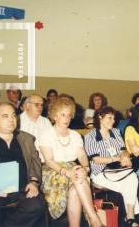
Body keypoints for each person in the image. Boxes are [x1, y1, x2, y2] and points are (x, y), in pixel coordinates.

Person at [39, 97, 103, 227]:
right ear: (54, 116)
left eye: (69, 115)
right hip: (53, 171)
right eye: (63, 115)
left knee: (76, 186)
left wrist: (85, 168)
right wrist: (67, 172)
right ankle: (94, 219)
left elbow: (82, 154)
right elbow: (49, 161)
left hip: (73, 170)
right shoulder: (46, 134)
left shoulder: (74, 135)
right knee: (78, 179)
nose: (66, 118)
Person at [85, 106, 139, 227]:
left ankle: (130, 216)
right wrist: (114, 159)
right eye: (109, 118)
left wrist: (125, 157)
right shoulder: (91, 136)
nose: (113, 121)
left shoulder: (115, 132)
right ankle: (130, 218)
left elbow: (123, 150)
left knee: (132, 178)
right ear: (100, 117)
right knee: (130, 184)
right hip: (100, 173)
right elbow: (96, 159)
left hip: (118, 170)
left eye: (114, 118)